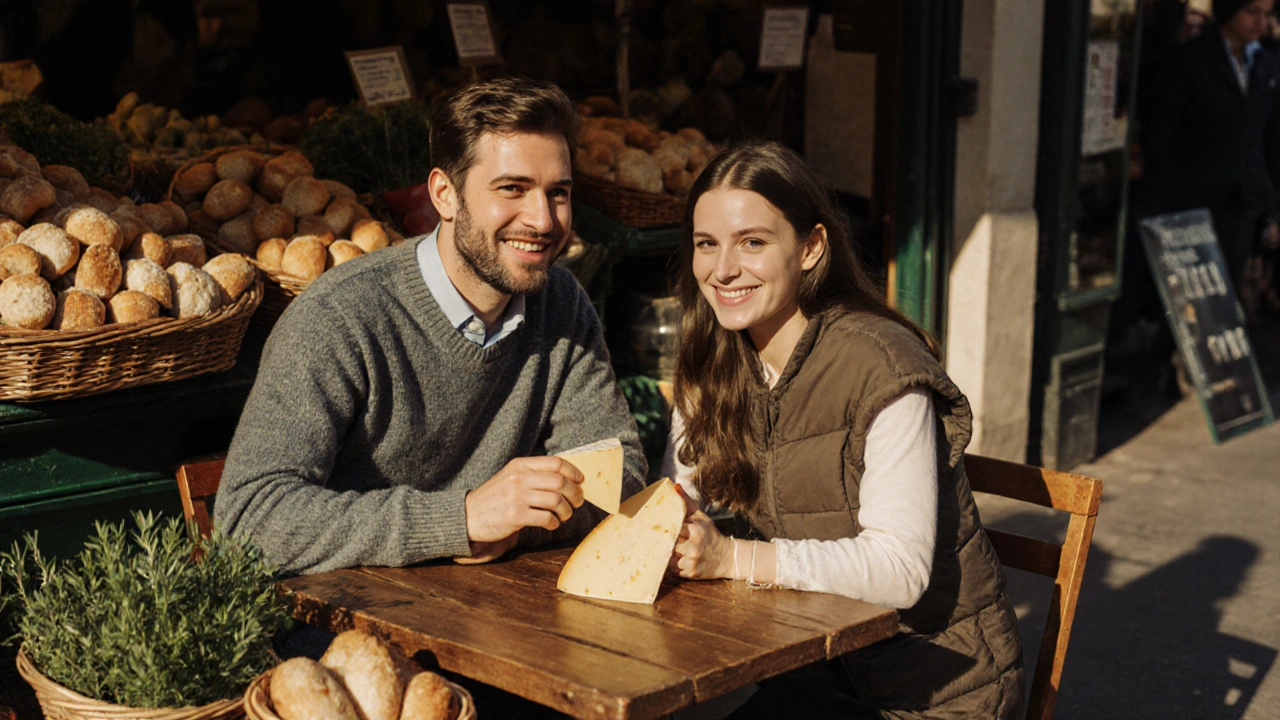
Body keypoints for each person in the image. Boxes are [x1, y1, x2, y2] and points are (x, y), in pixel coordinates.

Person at [215, 77, 646, 576]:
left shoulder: (561, 304)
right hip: (346, 630)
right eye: (513, 189)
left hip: (501, 615)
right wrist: (460, 519)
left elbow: (619, 474)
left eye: (559, 193)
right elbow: (247, 519)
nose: (544, 219)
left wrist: (514, 522)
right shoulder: (339, 317)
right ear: (445, 194)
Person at [662, 140, 1023, 718]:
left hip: (933, 690)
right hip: (808, 669)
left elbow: (901, 572)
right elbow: (679, 500)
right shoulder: (713, 358)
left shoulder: (880, 365)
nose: (723, 269)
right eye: (707, 244)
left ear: (810, 247)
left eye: (752, 242)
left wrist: (731, 557)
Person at [1143, 0, 1280, 296]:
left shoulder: (1266, 66)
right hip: (1192, 198)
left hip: (1242, 200)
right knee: (1186, 293)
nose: (1260, 21)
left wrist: (1269, 203)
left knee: (1222, 293)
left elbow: (1269, 138)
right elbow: (1162, 132)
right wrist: (1165, 193)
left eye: (1266, 14)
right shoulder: (1190, 60)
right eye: (1251, 11)